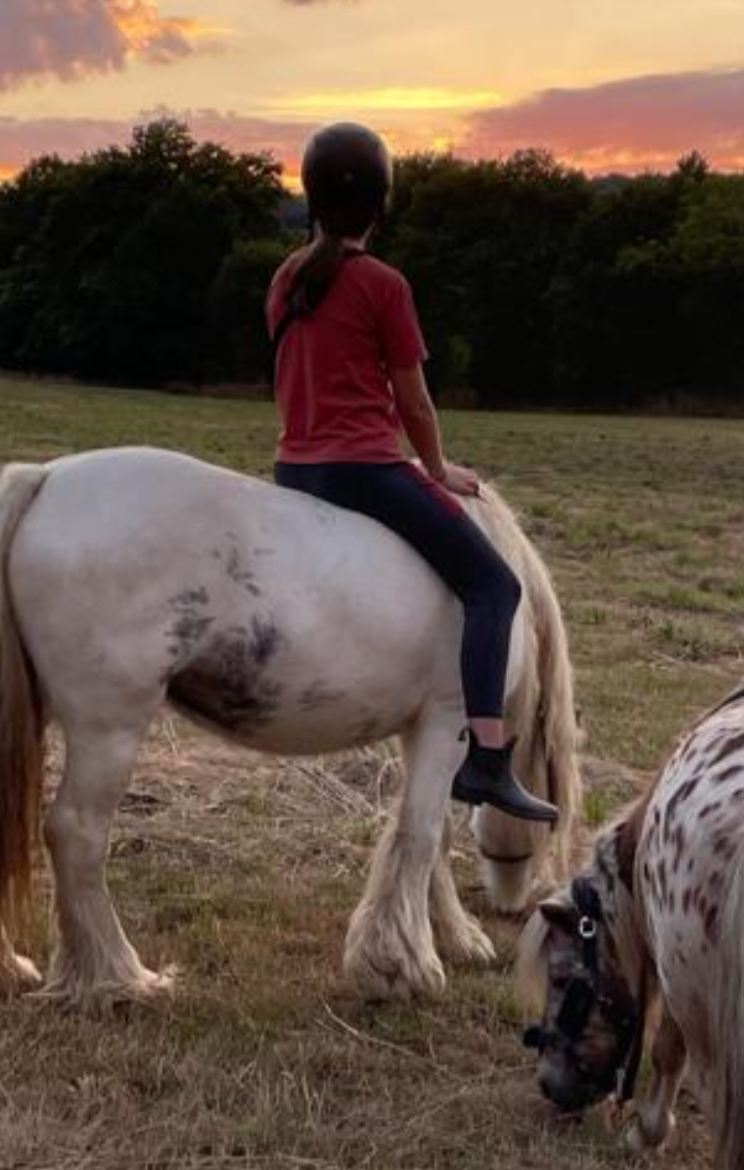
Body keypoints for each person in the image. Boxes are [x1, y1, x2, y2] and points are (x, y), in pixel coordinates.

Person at [266, 122, 557, 824]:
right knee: (495, 584)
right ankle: (487, 757)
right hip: (364, 469)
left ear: (310, 197)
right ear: (381, 203)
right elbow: (414, 400)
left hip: (293, 470)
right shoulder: (383, 285)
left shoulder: (286, 277)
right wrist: (436, 467)